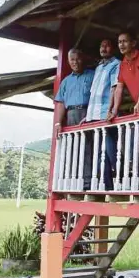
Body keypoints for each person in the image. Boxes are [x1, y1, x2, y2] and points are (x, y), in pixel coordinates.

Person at [54, 48, 95, 190]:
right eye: (72, 60)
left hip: (87, 113)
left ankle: (88, 183)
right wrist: (58, 122)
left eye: (77, 59)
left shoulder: (92, 75)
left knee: (88, 147)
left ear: (82, 59)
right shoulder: (66, 81)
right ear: (68, 61)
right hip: (70, 114)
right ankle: (72, 180)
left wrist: (90, 115)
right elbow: (60, 102)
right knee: (72, 148)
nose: (75, 62)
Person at [85, 38, 121, 190]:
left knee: (109, 148)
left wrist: (112, 110)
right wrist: (87, 115)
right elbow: (93, 92)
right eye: (101, 45)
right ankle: (107, 184)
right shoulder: (99, 67)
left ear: (113, 49)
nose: (104, 48)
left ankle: (121, 175)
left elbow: (114, 87)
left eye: (107, 45)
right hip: (93, 114)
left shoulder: (116, 64)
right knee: (100, 152)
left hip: (105, 113)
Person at [109, 28, 139, 117]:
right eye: (119, 42)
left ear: (133, 43)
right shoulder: (122, 64)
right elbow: (119, 89)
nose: (121, 45)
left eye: (125, 41)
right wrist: (114, 111)